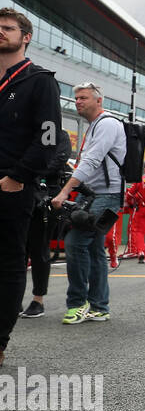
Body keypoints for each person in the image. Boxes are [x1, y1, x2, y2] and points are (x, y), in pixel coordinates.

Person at [0, 8, 62, 364]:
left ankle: (0, 341)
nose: (1, 32)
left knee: (7, 265)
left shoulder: (39, 80)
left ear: (26, 37)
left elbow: (49, 139)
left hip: (11, 186)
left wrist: (17, 177)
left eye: (8, 28)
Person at [50, 83, 126, 325]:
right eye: (76, 98)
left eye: (83, 98)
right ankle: (99, 306)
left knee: (74, 242)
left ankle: (78, 303)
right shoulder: (95, 126)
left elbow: (91, 160)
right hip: (93, 193)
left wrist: (64, 192)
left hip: (107, 194)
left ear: (98, 101)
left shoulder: (107, 124)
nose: (78, 102)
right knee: (93, 249)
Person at [19, 126, 70, 319]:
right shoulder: (24, 132)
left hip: (45, 197)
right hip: (20, 192)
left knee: (39, 250)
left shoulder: (60, 135)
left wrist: (30, 170)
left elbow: (58, 160)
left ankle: (38, 299)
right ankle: (14, 299)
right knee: (16, 250)